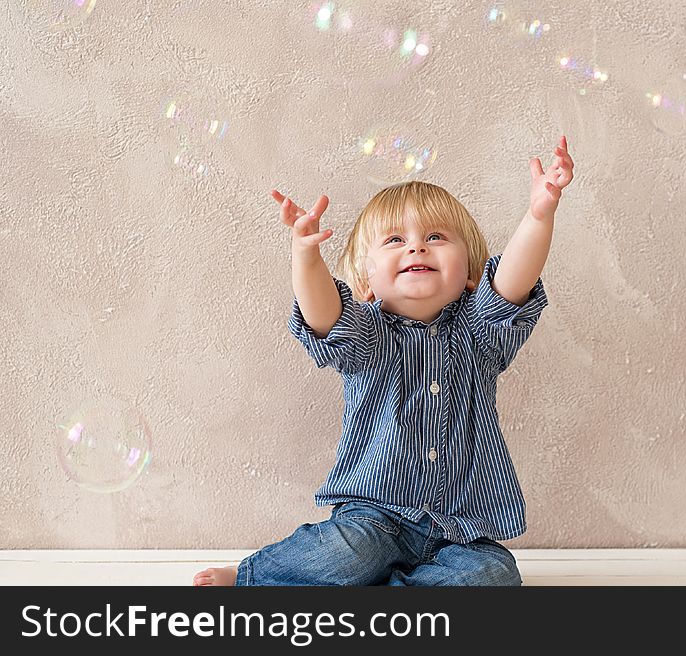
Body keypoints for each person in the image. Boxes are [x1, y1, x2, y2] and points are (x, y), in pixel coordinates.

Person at [193, 136, 574, 586]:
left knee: (493, 575)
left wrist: (538, 215)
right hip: (375, 517)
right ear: (367, 281)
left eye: (435, 237)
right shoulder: (367, 335)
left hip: (464, 529)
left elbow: (514, 279)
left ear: (471, 274)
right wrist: (306, 255)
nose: (417, 247)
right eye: (395, 240)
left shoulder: (481, 333)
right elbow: (322, 313)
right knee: (342, 555)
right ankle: (252, 576)